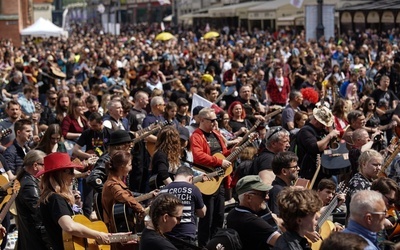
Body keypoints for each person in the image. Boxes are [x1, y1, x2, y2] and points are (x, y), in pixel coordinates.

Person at [38, 152, 110, 250]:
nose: (73, 176)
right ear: (59, 174)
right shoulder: (55, 198)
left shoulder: (52, 197)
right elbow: (69, 227)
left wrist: (75, 205)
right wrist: (97, 235)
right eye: (70, 172)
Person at [191, 107, 231, 247]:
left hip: (219, 181)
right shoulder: (197, 135)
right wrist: (219, 162)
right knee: (207, 218)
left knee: (219, 216)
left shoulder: (217, 134)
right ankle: (204, 245)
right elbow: (199, 156)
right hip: (207, 181)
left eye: (216, 120)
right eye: (212, 120)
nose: (215, 123)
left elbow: (224, 153)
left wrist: (236, 149)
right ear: (202, 120)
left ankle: (216, 245)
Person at [102, 150, 146, 250]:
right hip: (118, 232)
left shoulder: (114, 182)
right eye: (130, 165)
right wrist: (141, 209)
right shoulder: (113, 185)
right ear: (122, 166)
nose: (131, 168)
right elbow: (125, 197)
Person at [86, 130, 134, 220]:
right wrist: (110, 192)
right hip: (107, 209)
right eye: (128, 145)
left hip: (117, 208)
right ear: (119, 146)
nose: (131, 147)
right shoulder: (106, 160)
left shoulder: (122, 162)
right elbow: (92, 179)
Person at [226, 175, 281, 249]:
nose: (267, 197)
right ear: (249, 197)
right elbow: (284, 243)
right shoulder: (251, 221)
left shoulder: (232, 213)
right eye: (263, 194)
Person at [160, 166, 206, 249]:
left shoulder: (163, 190)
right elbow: (202, 213)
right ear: (191, 178)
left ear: (174, 177)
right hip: (186, 236)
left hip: (167, 237)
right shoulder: (193, 189)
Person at [296, 105, 340, 188]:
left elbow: (334, 149)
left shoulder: (322, 131)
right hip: (311, 174)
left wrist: (331, 133)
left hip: (325, 172)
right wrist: (330, 135)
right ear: (316, 120)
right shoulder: (306, 131)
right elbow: (315, 148)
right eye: (322, 124)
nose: (324, 126)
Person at [16, 150, 52, 250]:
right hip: (35, 240)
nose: (47, 169)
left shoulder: (29, 180)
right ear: (35, 165)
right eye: (45, 165)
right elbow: (40, 209)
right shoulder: (29, 184)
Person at [347, 149, 383, 217]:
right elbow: (359, 206)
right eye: (375, 165)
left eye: (380, 165)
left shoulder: (371, 180)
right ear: (364, 164)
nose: (378, 168)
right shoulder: (357, 182)